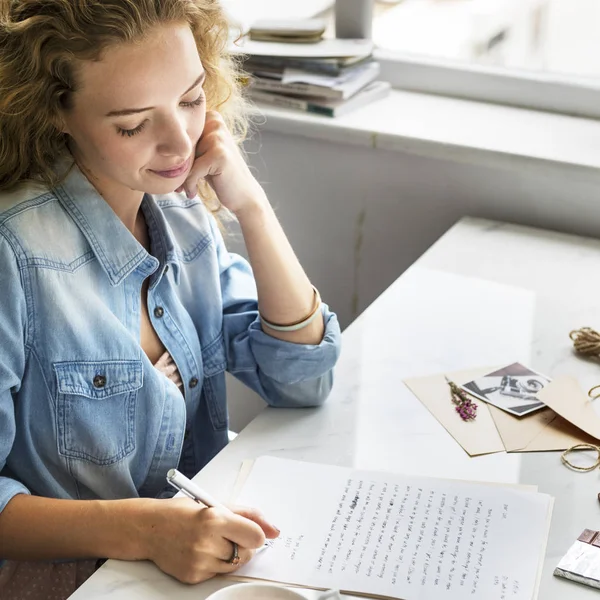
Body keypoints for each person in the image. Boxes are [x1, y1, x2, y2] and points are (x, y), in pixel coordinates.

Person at [0, 1, 341, 597]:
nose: (181, 142)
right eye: (133, 124)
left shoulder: (178, 210)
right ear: (56, 111)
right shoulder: (13, 253)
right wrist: (149, 529)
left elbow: (301, 378)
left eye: (190, 98)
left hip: (190, 569)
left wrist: (252, 208)